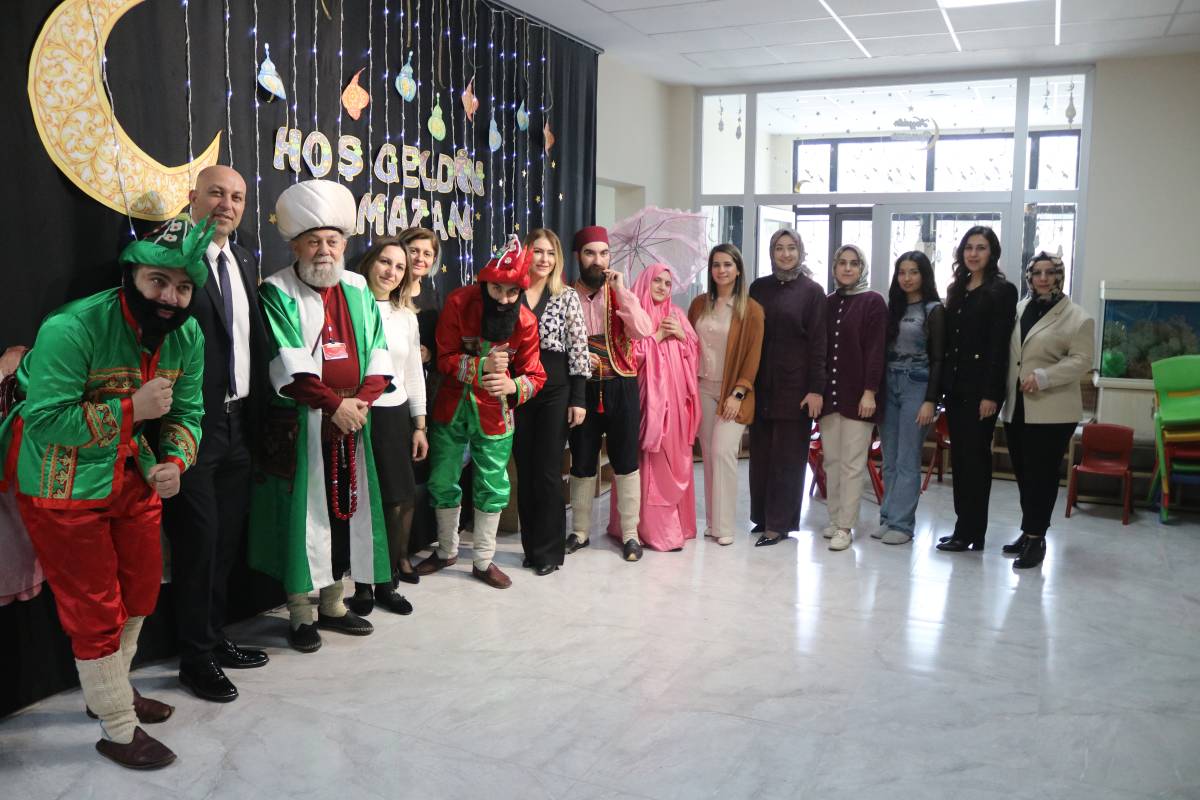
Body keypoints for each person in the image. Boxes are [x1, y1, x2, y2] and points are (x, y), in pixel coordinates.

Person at [0, 214, 211, 769]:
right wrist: (131, 409)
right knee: (94, 606)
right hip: (60, 480)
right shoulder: (72, 326)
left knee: (140, 593)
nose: (169, 297)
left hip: (133, 474)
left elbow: (189, 412)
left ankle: (111, 689)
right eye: (158, 281)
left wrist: (176, 461)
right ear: (131, 276)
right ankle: (117, 725)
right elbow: (45, 421)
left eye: (183, 287)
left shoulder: (188, 335)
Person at [248, 180, 394, 653]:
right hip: (303, 423)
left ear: (344, 244)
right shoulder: (276, 291)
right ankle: (299, 612)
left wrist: (360, 403)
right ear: (295, 246)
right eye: (313, 241)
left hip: (352, 421)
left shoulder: (357, 287)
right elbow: (286, 361)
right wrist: (335, 405)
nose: (324, 250)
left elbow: (379, 353)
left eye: (332, 240)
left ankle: (333, 604)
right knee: (302, 518)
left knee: (341, 512)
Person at [162, 165, 270, 705]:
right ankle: (194, 657)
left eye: (237, 197)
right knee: (198, 543)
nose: (227, 204)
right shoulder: (171, 258)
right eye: (216, 194)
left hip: (238, 423)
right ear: (192, 198)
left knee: (225, 541)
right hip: (190, 425)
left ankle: (214, 635)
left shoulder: (243, 259)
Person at [414, 235, 547, 588]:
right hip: (451, 407)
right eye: (496, 289)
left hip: (496, 414)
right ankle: (446, 550)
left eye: (512, 292)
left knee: (493, 484)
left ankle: (484, 560)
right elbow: (444, 358)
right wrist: (481, 366)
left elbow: (536, 376)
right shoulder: (459, 303)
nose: (503, 299)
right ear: (484, 282)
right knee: (442, 479)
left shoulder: (526, 322)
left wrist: (512, 386)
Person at [565, 226, 656, 562]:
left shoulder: (620, 293)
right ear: (578, 257)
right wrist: (578, 356)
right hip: (581, 389)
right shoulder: (565, 295)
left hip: (622, 385)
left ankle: (631, 534)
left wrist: (623, 292)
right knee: (582, 460)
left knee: (626, 460)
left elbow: (643, 331)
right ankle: (580, 531)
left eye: (604, 253)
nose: (598, 260)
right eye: (590, 253)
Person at [348, 237, 429, 610]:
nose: (391, 272)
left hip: (395, 415)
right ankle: (361, 585)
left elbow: (413, 372)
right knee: (361, 502)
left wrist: (419, 425)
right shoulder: (348, 307)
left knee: (396, 500)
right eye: (385, 262)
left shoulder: (406, 317)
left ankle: (386, 581)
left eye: (399, 267)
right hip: (357, 414)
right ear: (369, 262)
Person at [1000, 253, 1094, 569]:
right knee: (1024, 473)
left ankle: (1036, 538)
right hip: (1017, 407)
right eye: (1036, 272)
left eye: (1050, 272)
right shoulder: (1020, 309)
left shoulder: (1077, 317)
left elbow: (1082, 360)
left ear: (1060, 276)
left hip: (1053, 410)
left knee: (1041, 475)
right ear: (1028, 277)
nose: (1043, 278)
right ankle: (1028, 531)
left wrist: (1045, 377)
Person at [607, 264, 700, 551]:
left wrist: (682, 336)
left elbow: (694, 353)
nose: (662, 287)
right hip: (647, 404)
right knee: (647, 462)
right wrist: (657, 337)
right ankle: (644, 528)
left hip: (677, 407)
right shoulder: (632, 314)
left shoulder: (678, 315)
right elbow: (626, 356)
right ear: (645, 282)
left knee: (674, 459)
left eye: (667, 283)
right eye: (656, 281)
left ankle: (675, 525)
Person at [512, 228, 589, 575]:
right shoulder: (510, 290)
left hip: (555, 388)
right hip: (517, 387)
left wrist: (579, 397)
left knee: (547, 470)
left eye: (550, 253)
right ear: (526, 254)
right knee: (525, 469)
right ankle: (531, 547)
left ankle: (549, 552)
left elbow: (579, 348)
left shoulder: (566, 295)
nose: (544, 259)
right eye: (538, 251)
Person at [937, 226, 1017, 553]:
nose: (973, 253)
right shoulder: (958, 288)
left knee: (976, 462)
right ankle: (964, 528)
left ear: (992, 252)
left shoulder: (1002, 290)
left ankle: (973, 530)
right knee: (960, 460)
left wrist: (991, 394)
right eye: (968, 247)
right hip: (956, 388)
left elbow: (999, 346)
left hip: (981, 391)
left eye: (981, 247)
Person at [748, 227, 827, 547]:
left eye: (791, 247)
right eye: (779, 248)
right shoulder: (758, 287)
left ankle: (779, 525)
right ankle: (762, 517)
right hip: (761, 385)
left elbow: (819, 344)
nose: (785, 254)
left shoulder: (812, 292)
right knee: (761, 456)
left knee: (787, 459)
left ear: (800, 251)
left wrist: (816, 389)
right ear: (771, 252)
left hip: (796, 388)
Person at [688, 244, 764, 547]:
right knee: (708, 455)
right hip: (702, 388)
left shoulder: (751, 309)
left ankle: (725, 525)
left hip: (733, 392)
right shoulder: (699, 304)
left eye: (728, 264)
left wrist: (738, 392)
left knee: (723, 452)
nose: (721, 270)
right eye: (716, 265)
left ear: (738, 269)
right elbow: (689, 344)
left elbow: (753, 356)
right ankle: (712, 523)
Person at [819, 245, 888, 552]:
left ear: (862, 268)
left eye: (854, 263)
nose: (847, 268)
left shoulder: (873, 302)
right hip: (830, 397)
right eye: (842, 263)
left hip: (859, 398)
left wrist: (870, 391)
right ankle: (835, 519)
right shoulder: (828, 302)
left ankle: (846, 526)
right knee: (832, 462)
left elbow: (876, 350)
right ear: (834, 267)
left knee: (852, 464)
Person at [875, 251, 944, 546]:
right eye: (902, 272)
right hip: (888, 384)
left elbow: (939, 359)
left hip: (917, 386)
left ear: (924, 275)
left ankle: (902, 525)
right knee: (889, 458)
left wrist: (931, 400)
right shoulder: (893, 307)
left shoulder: (934, 310)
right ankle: (888, 517)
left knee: (907, 458)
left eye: (913, 272)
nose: (907, 278)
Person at [396, 227, 442, 554]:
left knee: (418, 471)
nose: (420, 258)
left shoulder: (432, 295)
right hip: (389, 392)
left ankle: (411, 545)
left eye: (427, 253)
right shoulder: (386, 288)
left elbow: (441, 345)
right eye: (414, 251)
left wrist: (430, 355)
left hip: (422, 391)